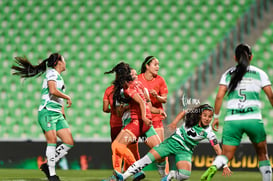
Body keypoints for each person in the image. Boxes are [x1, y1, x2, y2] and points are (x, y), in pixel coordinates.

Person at [201, 43, 273, 181]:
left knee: (226, 155)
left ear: (235, 58)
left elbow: (219, 96)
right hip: (253, 118)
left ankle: (215, 166)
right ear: (251, 57)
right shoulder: (259, 73)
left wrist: (216, 117)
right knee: (263, 154)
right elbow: (270, 96)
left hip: (232, 120)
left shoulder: (228, 74)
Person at [114, 104, 231, 181]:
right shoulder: (192, 117)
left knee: (185, 175)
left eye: (210, 117)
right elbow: (183, 112)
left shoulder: (209, 132)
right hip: (172, 142)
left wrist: (224, 165)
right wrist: (175, 123)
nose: (207, 118)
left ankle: (171, 175)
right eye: (205, 115)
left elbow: (217, 149)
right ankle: (123, 177)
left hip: (185, 150)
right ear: (201, 115)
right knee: (147, 159)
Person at [11, 53, 74, 181]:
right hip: (47, 112)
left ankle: (47, 165)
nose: (66, 62)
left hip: (57, 114)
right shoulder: (51, 73)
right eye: (64, 60)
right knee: (52, 141)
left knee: (68, 142)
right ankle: (52, 174)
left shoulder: (59, 77)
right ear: (58, 62)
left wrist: (63, 114)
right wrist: (67, 97)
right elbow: (52, 91)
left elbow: (57, 99)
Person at [105, 62, 167, 179]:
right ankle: (162, 173)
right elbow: (146, 103)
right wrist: (155, 112)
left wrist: (136, 111)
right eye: (132, 73)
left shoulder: (125, 89)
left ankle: (133, 172)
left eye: (135, 73)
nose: (134, 75)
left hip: (134, 122)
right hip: (146, 122)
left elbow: (122, 111)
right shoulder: (141, 86)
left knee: (117, 146)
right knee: (159, 151)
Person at [103, 68, 143, 181]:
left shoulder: (111, 90)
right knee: (131, 149)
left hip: (118, 123)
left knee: (117, 149)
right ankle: (128, 174)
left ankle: (124, 173)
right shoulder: (133, 88)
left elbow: (105, 109)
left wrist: (117, 109)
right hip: (132, 122)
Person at [138, 56, 169, 176]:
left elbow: (164, 99)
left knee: (161, 150)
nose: (158, 67)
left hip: (156, 119)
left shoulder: (160, 80)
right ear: (147, 66)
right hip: (141, 119)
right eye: (155, 64)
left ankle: (164, 176)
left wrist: (156, 97)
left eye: (158, 64)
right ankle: (125, 173)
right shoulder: (138, 80)